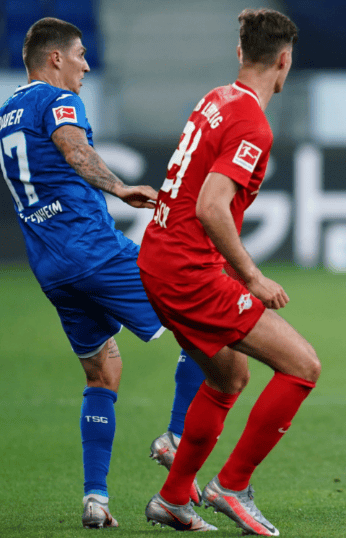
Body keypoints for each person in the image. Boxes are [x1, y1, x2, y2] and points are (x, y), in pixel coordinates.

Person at [0, 17, 200, 529]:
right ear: (55, 58)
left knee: (102, 372)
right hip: (95, 252)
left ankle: (96, 498)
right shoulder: (55, 100)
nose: (87, 66)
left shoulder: (6, 114)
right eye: (81, 55)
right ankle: (176, 438)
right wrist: (120, 187)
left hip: (51, 268)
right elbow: (75, 148)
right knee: (205, 325)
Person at [138, 8, 321, 535]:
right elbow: (211, 206)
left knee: (228, 376)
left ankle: (174, 499)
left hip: (157, 260)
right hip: (187, 272)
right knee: (302, 366)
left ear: (241, 53)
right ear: (284, 61)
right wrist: (252, 277)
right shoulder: (251, 123)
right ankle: (231, 486)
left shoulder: (216, 99)